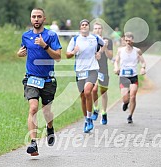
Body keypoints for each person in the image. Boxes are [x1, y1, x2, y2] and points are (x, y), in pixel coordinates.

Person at [17, 8, 62, 156]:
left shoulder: (51, 35)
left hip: (48, 79)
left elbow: (58, 57)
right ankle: (33, 143)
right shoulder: (26, 36)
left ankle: (50, 128)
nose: (36, 19)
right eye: (34, 17)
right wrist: (19, 53)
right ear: (31, 19)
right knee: (33, 108)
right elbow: (22, 50)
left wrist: (45, 46)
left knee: (46, 111)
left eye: (39, 16)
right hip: (31, 78)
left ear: (44, 19)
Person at [66, 19, 104, 133]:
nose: (84, 26)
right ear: (80, 27)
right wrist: (73, 52)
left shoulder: (95, 38)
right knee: (82, 97)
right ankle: (86, 119)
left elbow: (103, 45)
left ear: (89, 27)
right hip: (80, 70)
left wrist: (99, 53)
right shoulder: (75, 39)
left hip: (92, 69)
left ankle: (89, 117)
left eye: (86, 25)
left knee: (88, 92)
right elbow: (67, 54)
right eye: (82, 25)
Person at [114, 32, 146, 123]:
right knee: (125, 98)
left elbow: (143, 62)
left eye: (130, 40)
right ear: (124, 40)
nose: (128, 42)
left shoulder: (137, 51)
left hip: (133, 77)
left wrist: (143, 68)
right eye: (126, 40)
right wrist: (116, 67)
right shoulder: (120, 50)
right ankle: (125, 102)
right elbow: (116, 61)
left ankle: (130, 115)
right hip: (123, 77)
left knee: (133, 96)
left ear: (133, 40)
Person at [91, 22, 113, 125]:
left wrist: (106, 47)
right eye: (95, 28)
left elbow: (110, 56)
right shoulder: (91, 40)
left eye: (99, 28)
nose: (98, 30)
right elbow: (94, 55)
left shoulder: (108, 41)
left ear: (102, 29)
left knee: (103, 92)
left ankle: (104, 113)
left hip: (103, 69)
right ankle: (95, 108)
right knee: (94, 89)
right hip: (93, 68)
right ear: (93, 30)